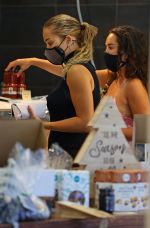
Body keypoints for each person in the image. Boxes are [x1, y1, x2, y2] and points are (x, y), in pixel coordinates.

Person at [6, 14, 100, 158]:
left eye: (50, 43)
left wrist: (44, 125)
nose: (47, 49)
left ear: (68, 40)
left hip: (73, 155)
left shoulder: (76, 71)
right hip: (69, 153)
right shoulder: (78, 67)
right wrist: (32, 61)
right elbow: (62, 70)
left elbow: (85, 122)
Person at [96, 25, 150, 141]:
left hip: (128, 156)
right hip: (108, 153)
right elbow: (79, 73)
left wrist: (104, 130)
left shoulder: (134, 85)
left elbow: (144, 132)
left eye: (110, 47)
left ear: (126, 53)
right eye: (106, 47)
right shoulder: (112, 77)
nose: (106, 52)